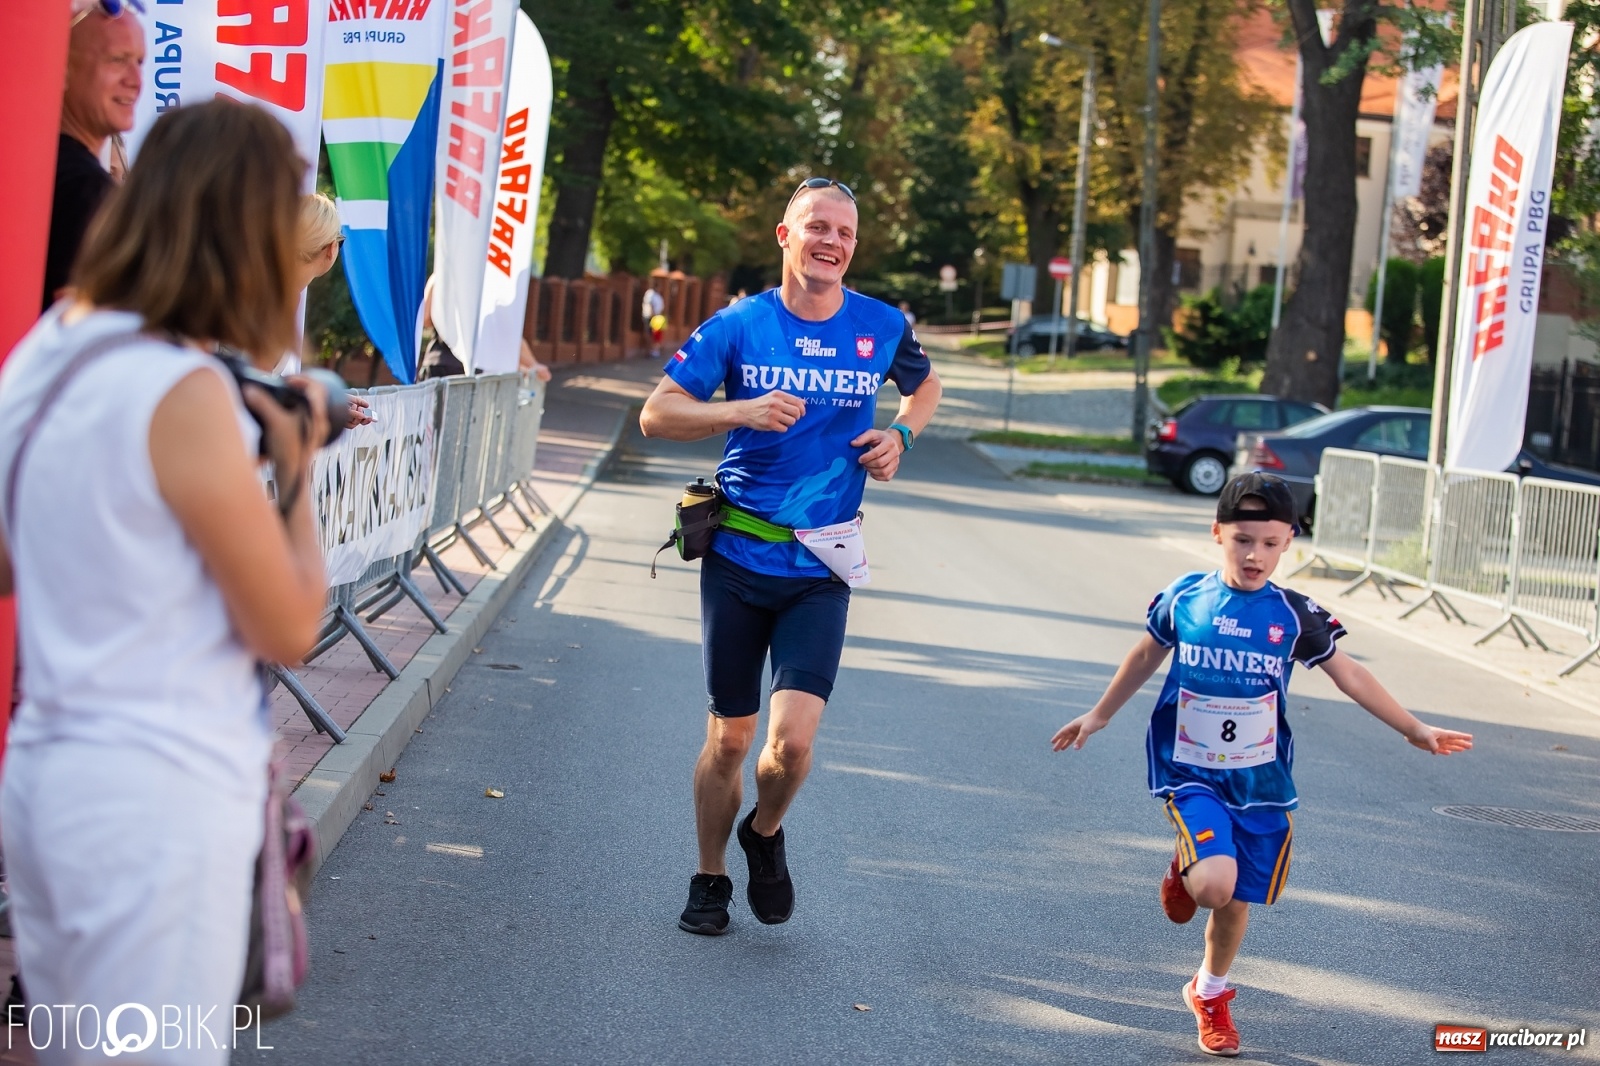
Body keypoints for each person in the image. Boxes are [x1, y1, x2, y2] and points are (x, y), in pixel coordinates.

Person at [0, 100, 331, 1062]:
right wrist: (298, 464)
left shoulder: (57, 343)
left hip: (50, 778)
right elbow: (290, 624)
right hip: (157, 802)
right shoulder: (178, 390)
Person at [1049, 473, 1472, 1058]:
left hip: (1261, 779)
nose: (1255, 555)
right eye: (1243, 539)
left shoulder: (1294, 614)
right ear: (1217, 532)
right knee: (1215, 885)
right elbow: (1146, 652)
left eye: (1271, 543)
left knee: (1235, 898)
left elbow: (1349, 673)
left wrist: (1414, 728)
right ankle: (1191, 862)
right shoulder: (1185, 598)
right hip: (1190, 769)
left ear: (1289, 542)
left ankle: (1209, 990)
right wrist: (1099, 715)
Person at [639, 176, 944, 936]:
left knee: (792, 744)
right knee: (732, 736)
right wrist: (737, 410)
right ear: (785, 236)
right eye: (817, 227)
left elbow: (926, 384)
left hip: (822, 566)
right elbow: (655, 414)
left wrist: (901, 434)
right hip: (739, 560)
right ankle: (710, 877)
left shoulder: (879, 324)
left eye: (844, 231)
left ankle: (764, 834)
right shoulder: (741, 325)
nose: (831, 242)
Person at [43, 0, 145, 312]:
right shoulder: (86, 192)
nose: (136, 81)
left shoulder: (41, 170)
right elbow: (82, 338)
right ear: (63, 69)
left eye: (140, 62)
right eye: (118, 60)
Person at [642, 284, 666, 357]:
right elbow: (650, 305)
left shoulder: (658, 296)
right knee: (649, 333)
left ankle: (654, 350)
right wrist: (652, 314)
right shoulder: (650, 294)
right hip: (650, 316)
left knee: (656, 334)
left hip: (657, 317)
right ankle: (648, 350)